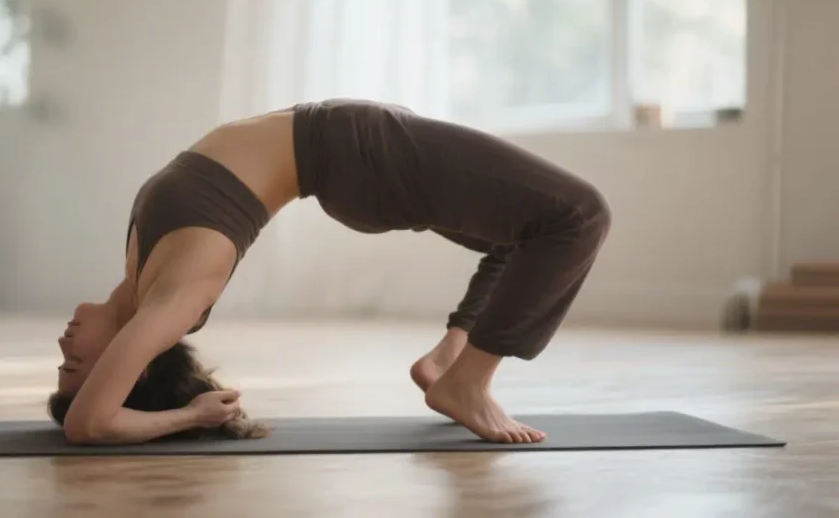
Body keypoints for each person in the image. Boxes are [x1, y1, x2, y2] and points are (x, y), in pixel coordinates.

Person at [49, 98, 611, 445]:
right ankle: (468, 383)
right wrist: (187, 417)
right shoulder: (175, 301)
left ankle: (446, 360)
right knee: (579, 215)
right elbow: (89, 425)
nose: (64, 342)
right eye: (75, 362)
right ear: (136, 366)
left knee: (520, 236)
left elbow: (94, 413)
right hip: (358, 153)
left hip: (354, 155)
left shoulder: (143, 271)